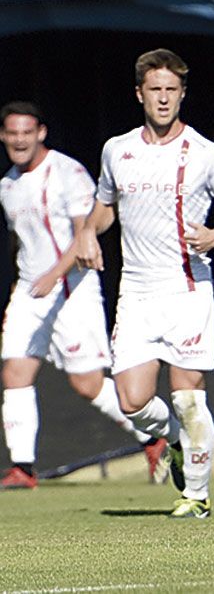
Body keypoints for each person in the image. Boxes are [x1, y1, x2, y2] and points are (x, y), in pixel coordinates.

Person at [75, 49, 214, 519]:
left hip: (187, 289)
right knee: (133, 401)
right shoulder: (117, 150)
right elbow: (105, 206)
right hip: (136, 293)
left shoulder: (204, 154)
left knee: (186, 395)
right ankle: (176, 439)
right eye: (155, 90)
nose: (163, 99)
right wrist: (84, 233)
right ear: (140, 94)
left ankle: (196, 496)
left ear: (182, 95)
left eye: (171, 91)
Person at [0, 102, 164, 490]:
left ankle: (154, 436)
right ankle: (23, 468)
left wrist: (53, 275)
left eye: (27, 132)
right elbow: (19, 242)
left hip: (72, 287)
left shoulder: (67, 172)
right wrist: (18, 289)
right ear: (4, 136)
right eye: (12, 133)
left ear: (41, 132)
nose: (19, 140)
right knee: (14, 373)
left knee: (87, 384)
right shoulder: (8, 184)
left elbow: (85, 232)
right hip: (29, 291)